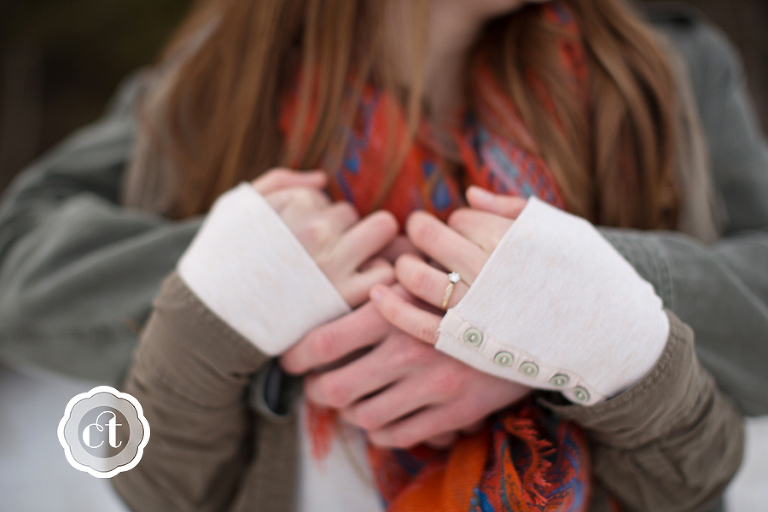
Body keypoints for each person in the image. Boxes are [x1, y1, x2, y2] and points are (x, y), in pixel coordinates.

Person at [0, 0, 763, 510]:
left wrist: (568, 314)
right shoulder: (224, 72)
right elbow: (18, 251)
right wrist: (252, 284)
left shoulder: (670, 66)